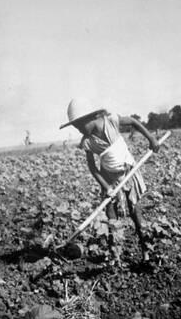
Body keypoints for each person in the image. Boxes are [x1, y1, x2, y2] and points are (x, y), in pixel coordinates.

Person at [60, 98, 160, 264]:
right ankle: (115, 256)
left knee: (135, 212)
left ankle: (146, 251)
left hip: (128, 171)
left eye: (79, 125)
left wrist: (151, 139)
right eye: (75, 126)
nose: (78, 129)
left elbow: (134, 122)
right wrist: (106, 187)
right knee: (111, 215)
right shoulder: (87, 141)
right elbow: (93, 168)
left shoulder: (111, 121)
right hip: (108, 178)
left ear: (91, 118)